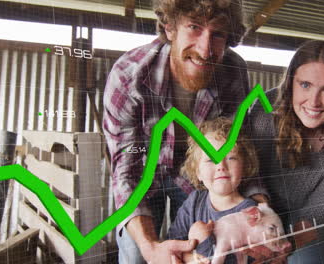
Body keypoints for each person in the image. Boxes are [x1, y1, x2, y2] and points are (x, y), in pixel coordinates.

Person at [103, 0, 267, 263]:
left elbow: (237, 146)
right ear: (169, 27)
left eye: (218, 34)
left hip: (197, 174)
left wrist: (262, 209)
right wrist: (149, 246)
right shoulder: (128, 76)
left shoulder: (232, 73)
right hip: (144, 170)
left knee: (202, 249)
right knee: (136, 255)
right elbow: (126, 169)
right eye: (194, 27)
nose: (205, 50)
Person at [248, 40, 324, 263]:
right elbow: (246, 172)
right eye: (305, 85)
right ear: (290, 84)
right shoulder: (265, 109)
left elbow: (323, 209)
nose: (314, 102)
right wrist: (262, 218)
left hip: (310, 222)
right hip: (258, 207)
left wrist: (288, 246)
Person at [167, 117, 260, 263]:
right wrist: (191, 258)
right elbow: (172, 244)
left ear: (244, 166)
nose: (221, 166)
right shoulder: (194, 202)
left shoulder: (250, 212)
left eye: (230, 158)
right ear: (197, 171)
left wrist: (203, 240)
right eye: (210, 160)